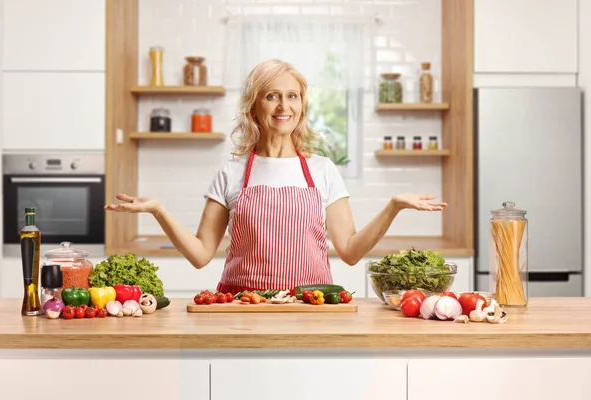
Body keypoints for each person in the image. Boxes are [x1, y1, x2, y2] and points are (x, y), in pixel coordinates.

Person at [105, 59, 447, 294]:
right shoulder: (232, 173)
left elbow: (350, 251)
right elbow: (200, 255)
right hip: (243, 309)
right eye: (272, 96)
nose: (284, 106)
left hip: (310, 307)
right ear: (254, 108)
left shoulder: (322, 170)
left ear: (301, 106)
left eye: (292, 96)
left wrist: (393, 207)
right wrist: (158, 211)